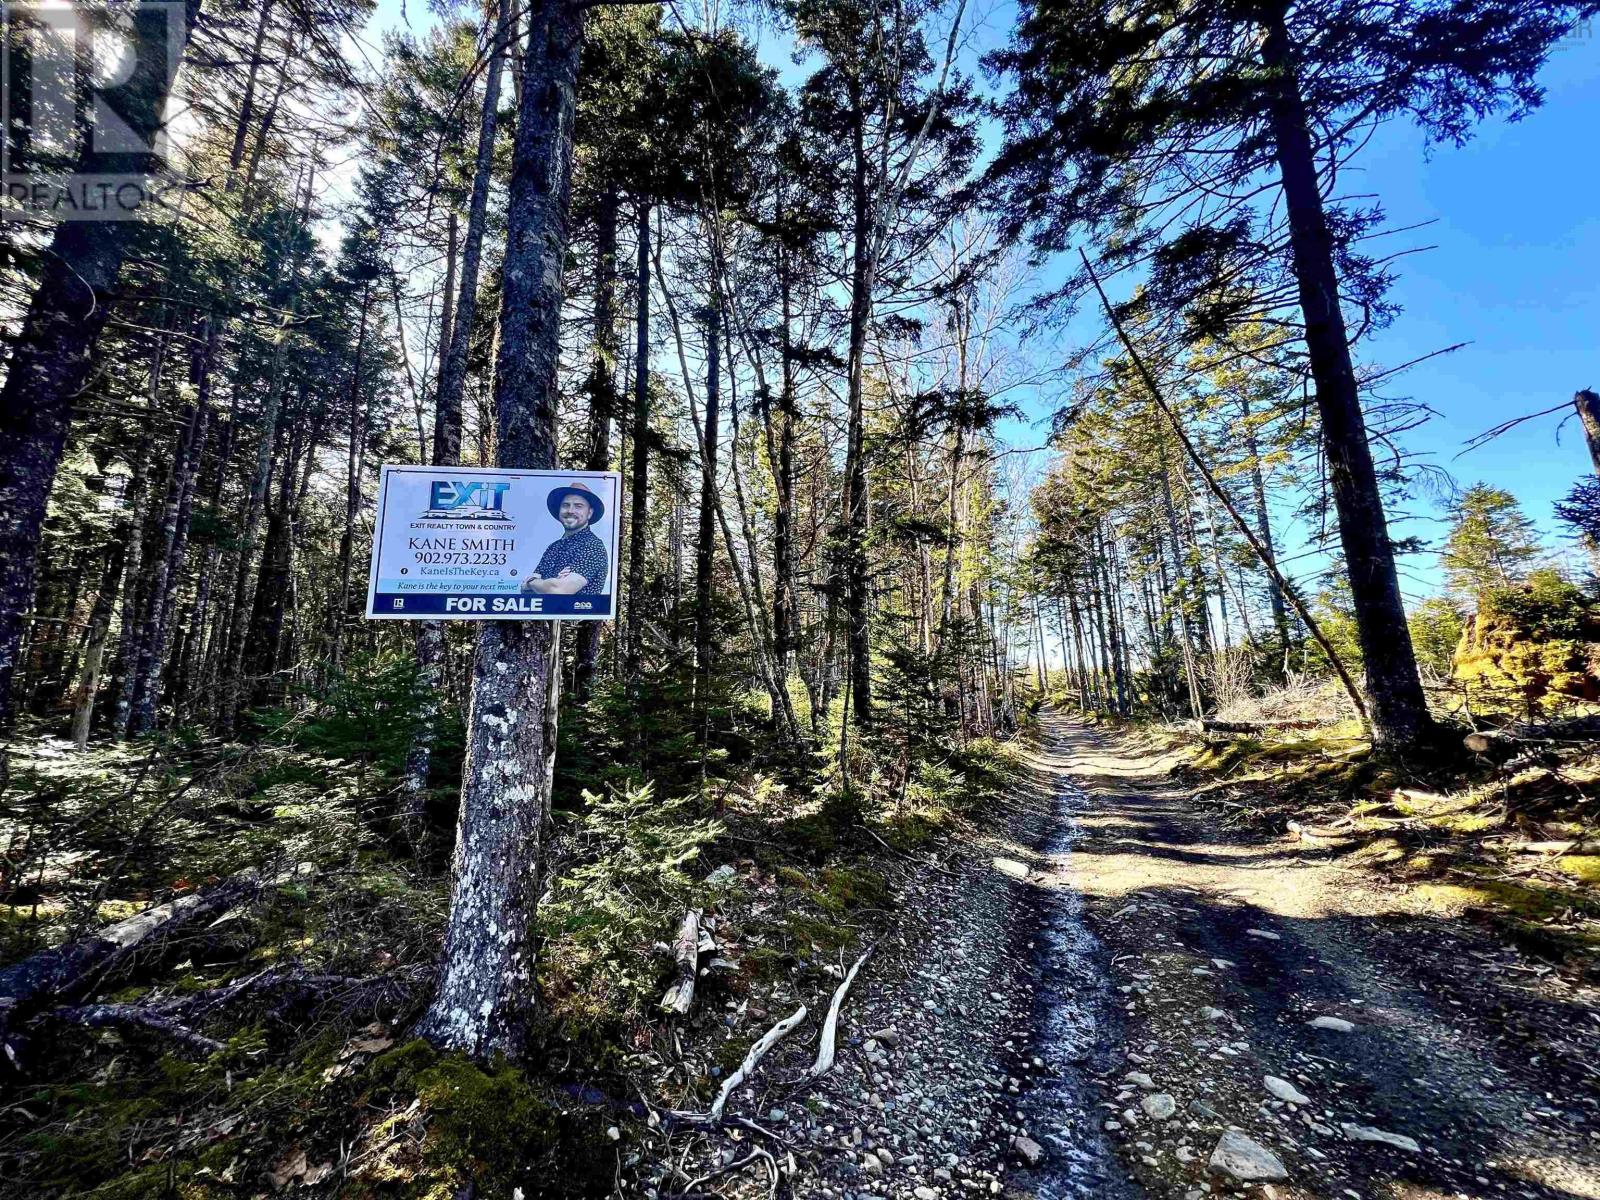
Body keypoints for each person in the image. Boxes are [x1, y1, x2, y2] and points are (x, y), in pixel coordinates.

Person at [521, 482, 609, 595]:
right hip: (544, 612)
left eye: (578, 506)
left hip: (577, 612)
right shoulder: (553, 548)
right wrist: (545, 584)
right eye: (566, 505)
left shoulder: (593, 546)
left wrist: (533, 583)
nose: (570, 510)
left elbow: (558, 590)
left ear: (589, 513)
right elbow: (525, 591)